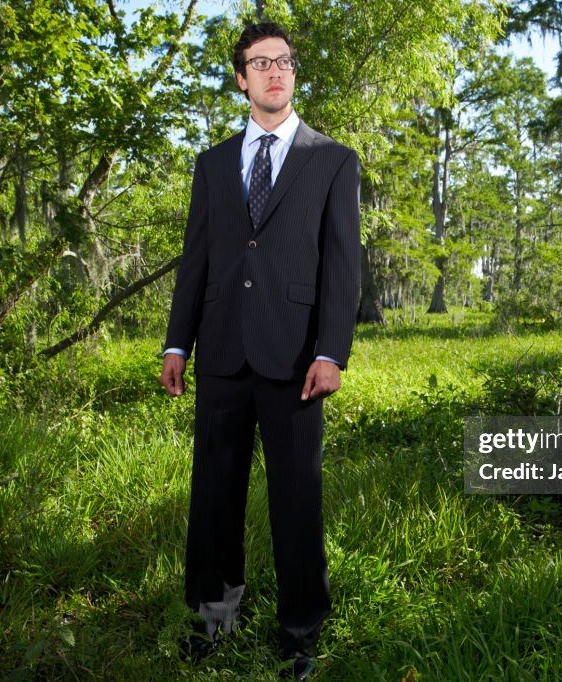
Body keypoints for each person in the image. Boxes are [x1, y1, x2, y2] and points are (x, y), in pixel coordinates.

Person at [159, 21, 360, 681]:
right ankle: (214, 619)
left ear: (293, 74)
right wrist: (176, 343)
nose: (275, 72)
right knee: (214, 494)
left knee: (296, 498)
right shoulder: (212, 163)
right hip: (219, 351)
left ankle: (300, 633)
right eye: (260, 63)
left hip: (297, 357)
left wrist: (332, 350)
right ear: (241, 79)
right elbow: (196, 261)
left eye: (285, 62)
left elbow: (343, 266)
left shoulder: (331, 159)